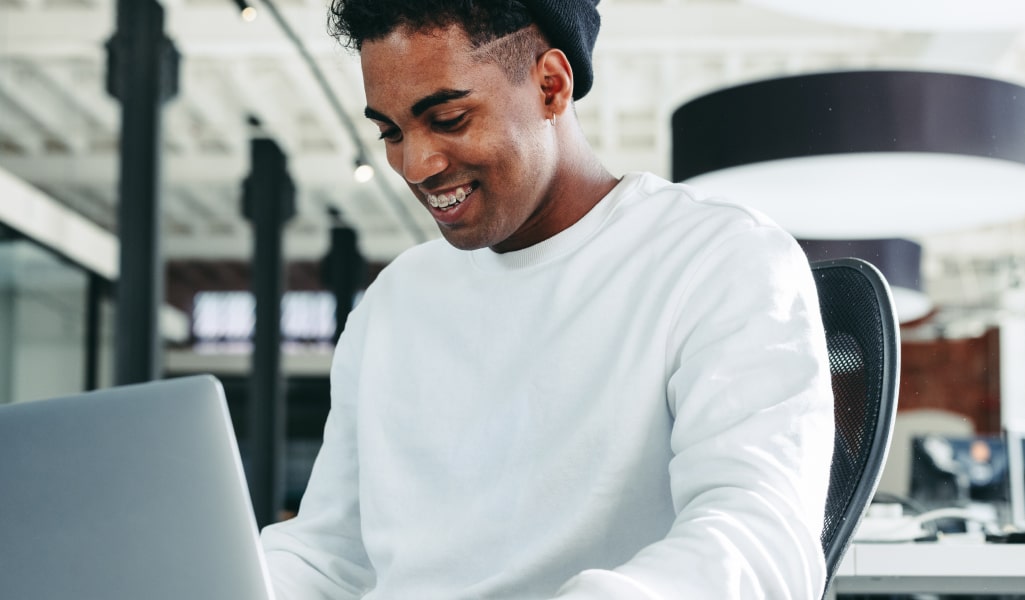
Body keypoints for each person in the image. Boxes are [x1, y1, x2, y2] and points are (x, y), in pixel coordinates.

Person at [259, 1, 835, 598]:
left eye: (450, 118)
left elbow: (761, 540)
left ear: (550, 86)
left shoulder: (717, 261)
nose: (415, 164)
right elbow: (330, 554)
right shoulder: (393, 303)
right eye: (390, 132)